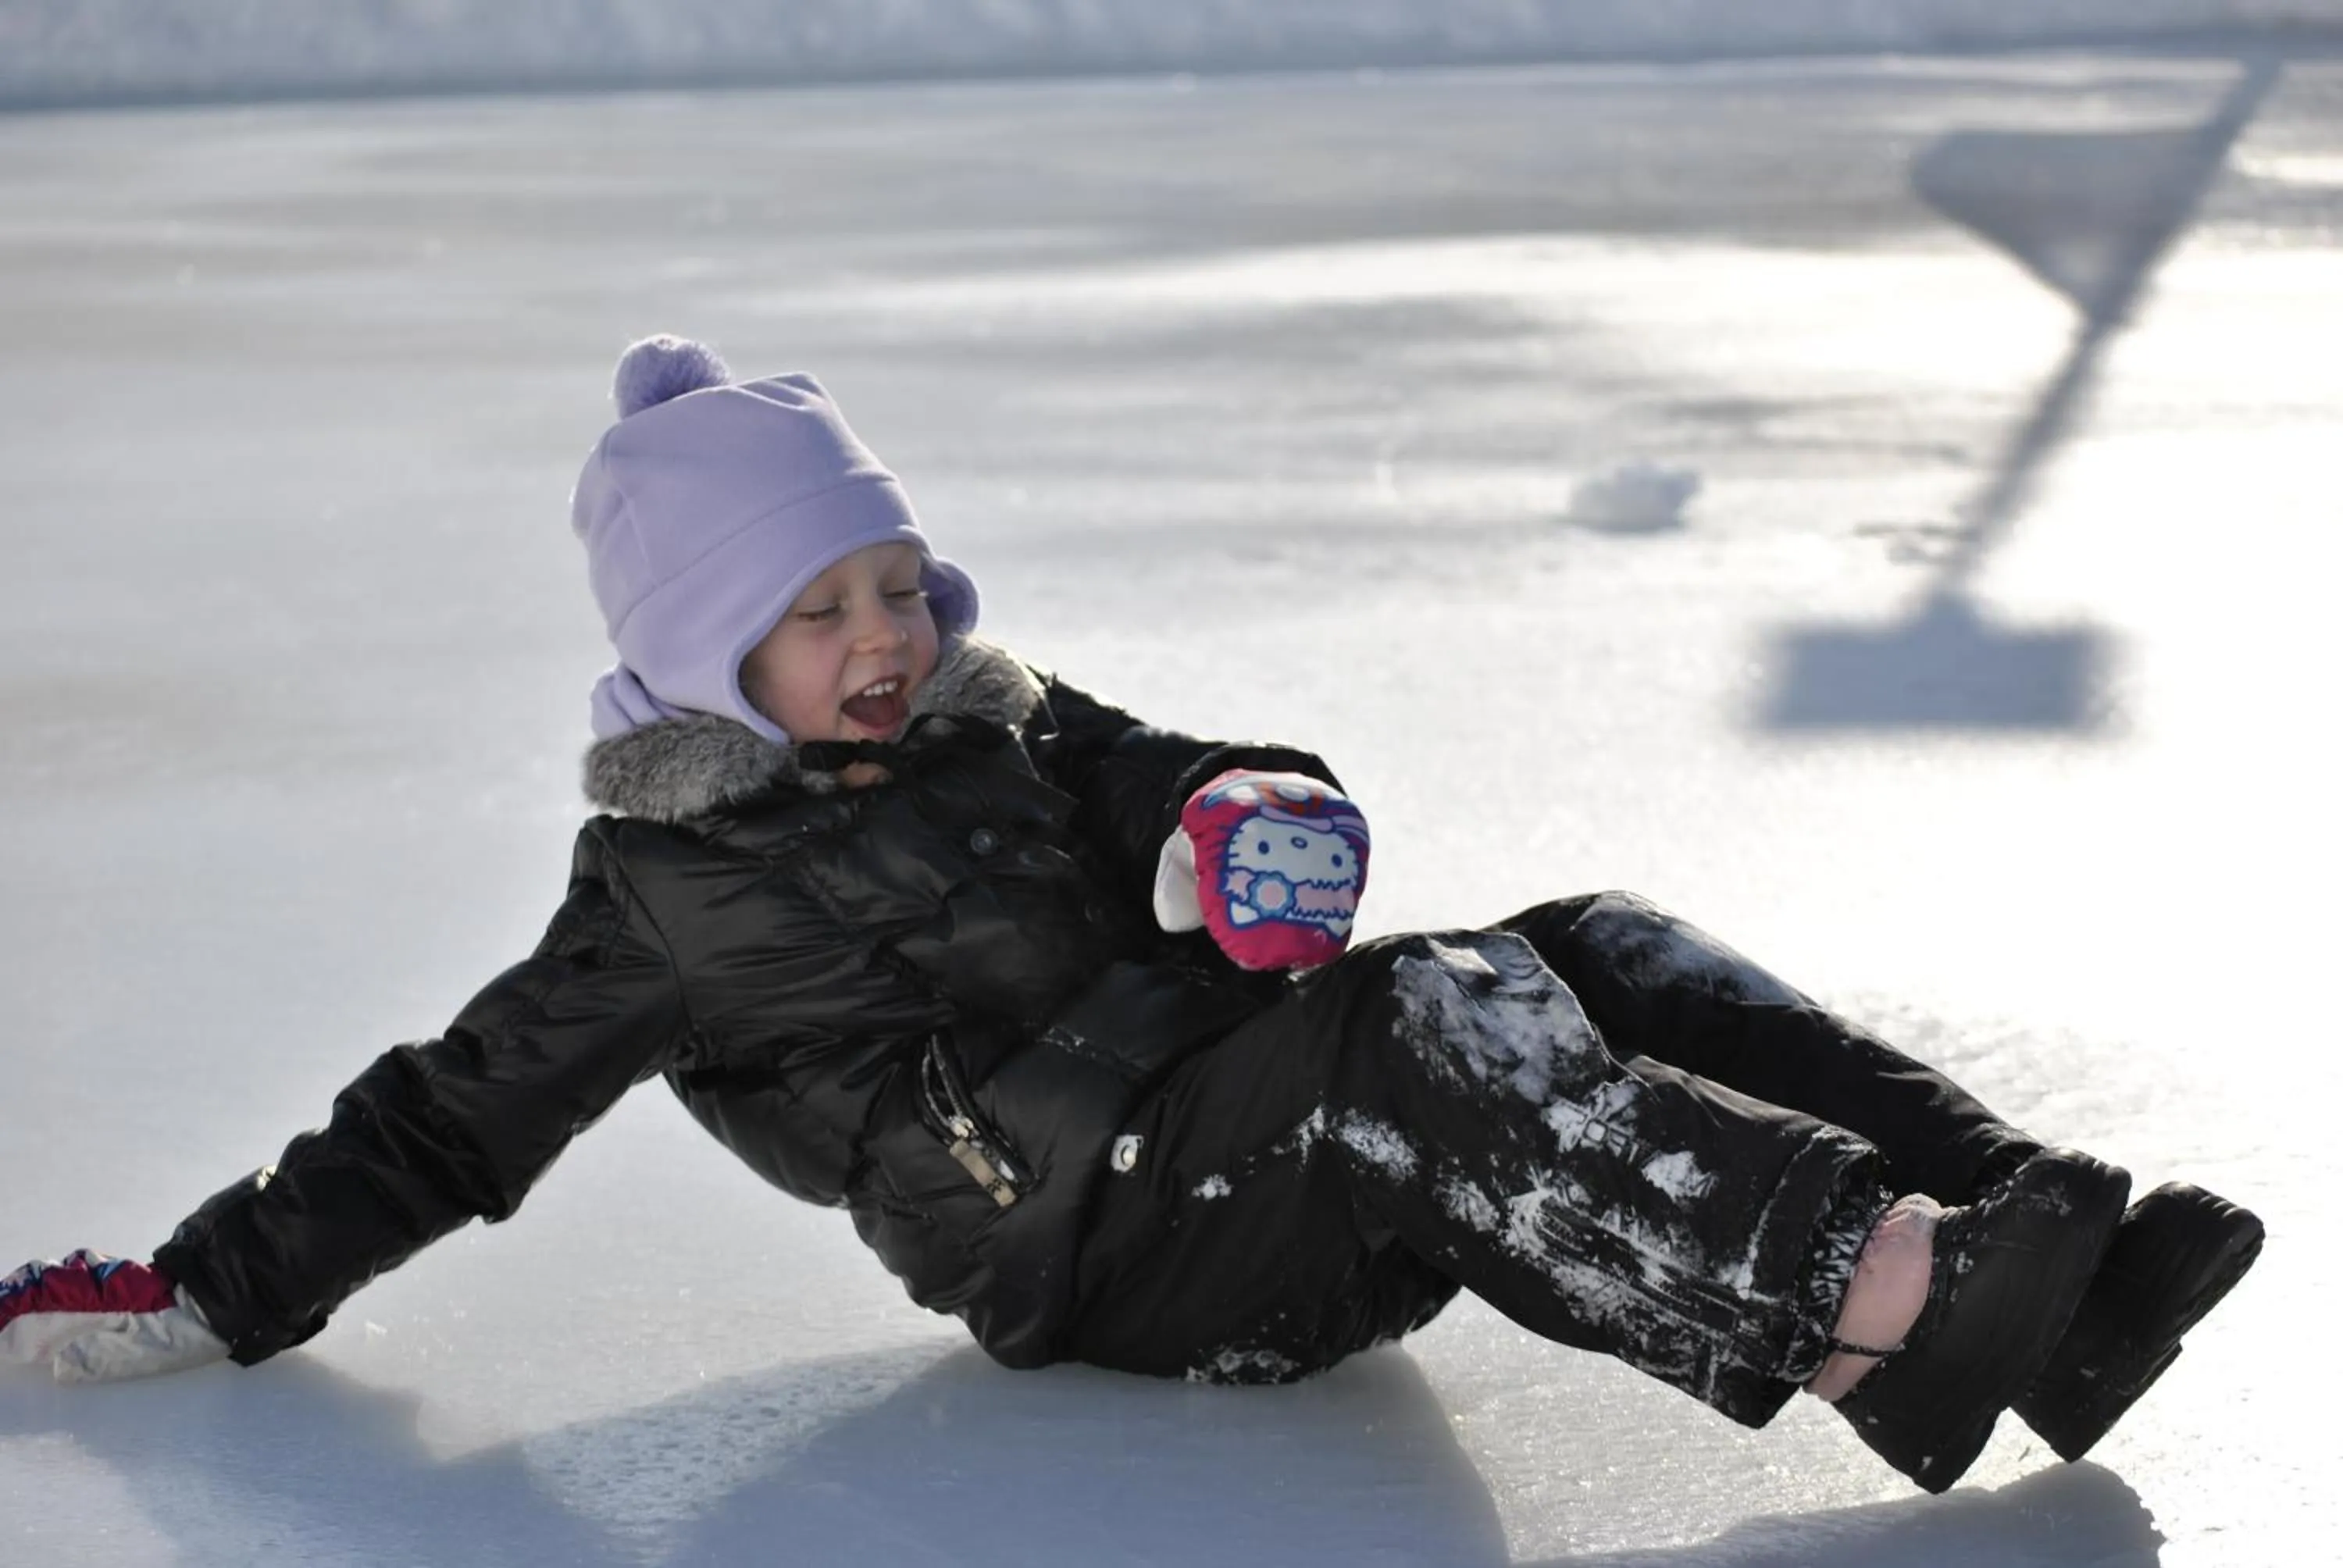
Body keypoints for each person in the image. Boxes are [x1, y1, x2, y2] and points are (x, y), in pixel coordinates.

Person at [1, 337, 2263, 1496]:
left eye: (894, 581)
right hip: (1095, 1246)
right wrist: (207, 1288)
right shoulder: (661, 898)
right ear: (703, 654)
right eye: (815, 611)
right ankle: (1890, 1299)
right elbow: (437, 1125)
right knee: (1417, 1027)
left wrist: (1240, 810)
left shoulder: (1000, 715)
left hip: (1254, 1133)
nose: (882, 633)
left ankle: (2023, 1262)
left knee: (1586, 937)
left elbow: (1173, 771)